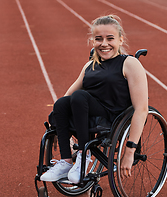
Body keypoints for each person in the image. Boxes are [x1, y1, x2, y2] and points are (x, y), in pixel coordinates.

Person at [40, 15, 148, 184]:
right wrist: (58, 127)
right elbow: (67, 97)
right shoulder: (90, 65)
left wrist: (130, 151)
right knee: (61, 103)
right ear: (93, 41)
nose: (104, 43)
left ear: (120, 40)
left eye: (110, 38)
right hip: (86, 113)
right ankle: (67, 162)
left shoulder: (130, 64)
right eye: (99, 39)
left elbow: (141, 109)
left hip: (112, 117)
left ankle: (84, 156)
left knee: (79, 96)